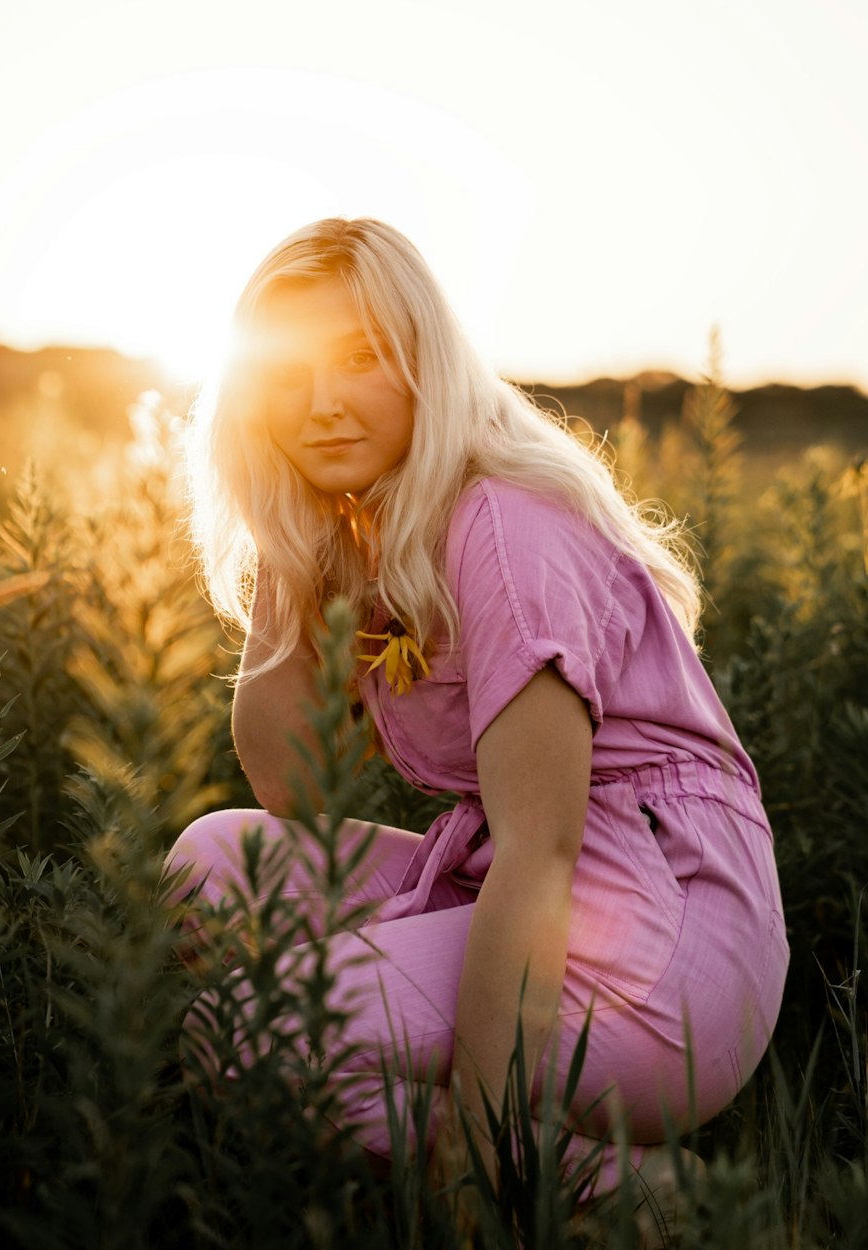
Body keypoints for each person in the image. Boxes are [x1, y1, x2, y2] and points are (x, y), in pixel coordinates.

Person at [164, 217, 788, 1233]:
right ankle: (508, 1131)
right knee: (213, 864)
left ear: (427, 363)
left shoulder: (498, 525)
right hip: (545, 880)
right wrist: (290, 544)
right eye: (288, 372)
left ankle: (625, 1197)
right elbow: (297, 799)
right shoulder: (380, 524)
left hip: (664, 941)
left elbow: (541, 848)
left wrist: (475, 1126)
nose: (320, 404)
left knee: (240, 1033)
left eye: (362, 358)